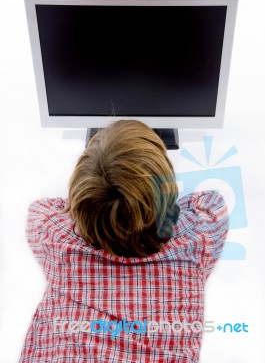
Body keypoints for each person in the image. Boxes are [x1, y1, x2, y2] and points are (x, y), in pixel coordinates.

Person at [19, 120, 229, 362]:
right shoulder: (195, 238)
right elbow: (211, 201)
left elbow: (42, 209)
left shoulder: (57, 239)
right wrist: (145, 204)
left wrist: (94, 205)